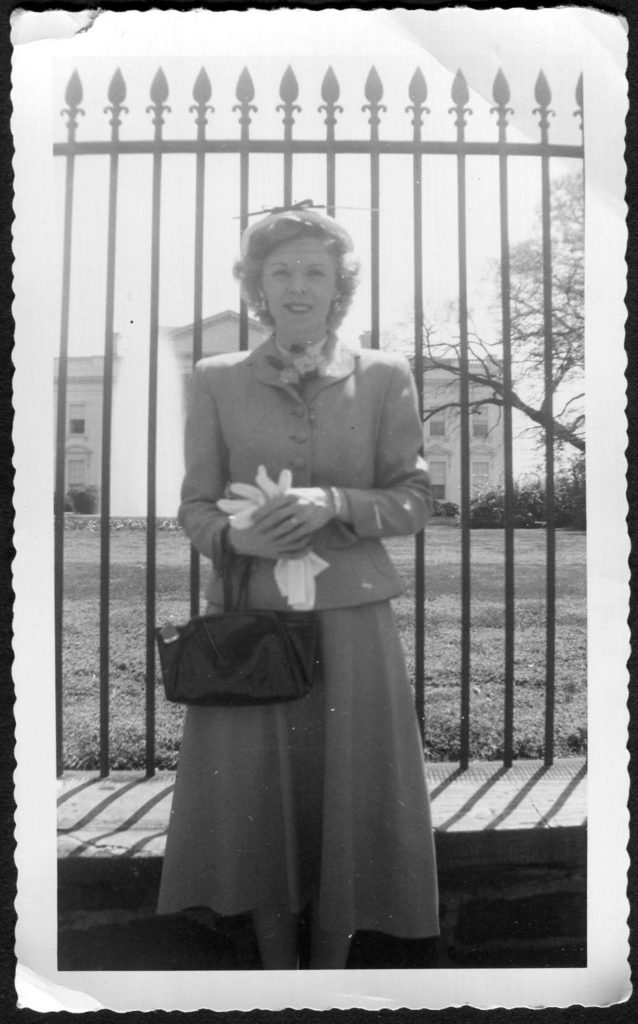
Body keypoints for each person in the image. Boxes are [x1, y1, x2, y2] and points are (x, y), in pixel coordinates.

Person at [157, 204, 439, 969]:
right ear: (257, 286)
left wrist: (337, 504)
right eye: (280, 271)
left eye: (315, 270)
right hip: (256, 623)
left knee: (346, 797)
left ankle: (330, 974)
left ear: (338, 286)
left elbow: (415, 499)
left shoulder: (385, 375)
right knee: (260, 804)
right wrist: (231, 536)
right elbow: (193, 504)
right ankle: (279, 976)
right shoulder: (215, 379)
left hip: (353, 623)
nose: (297, 285)